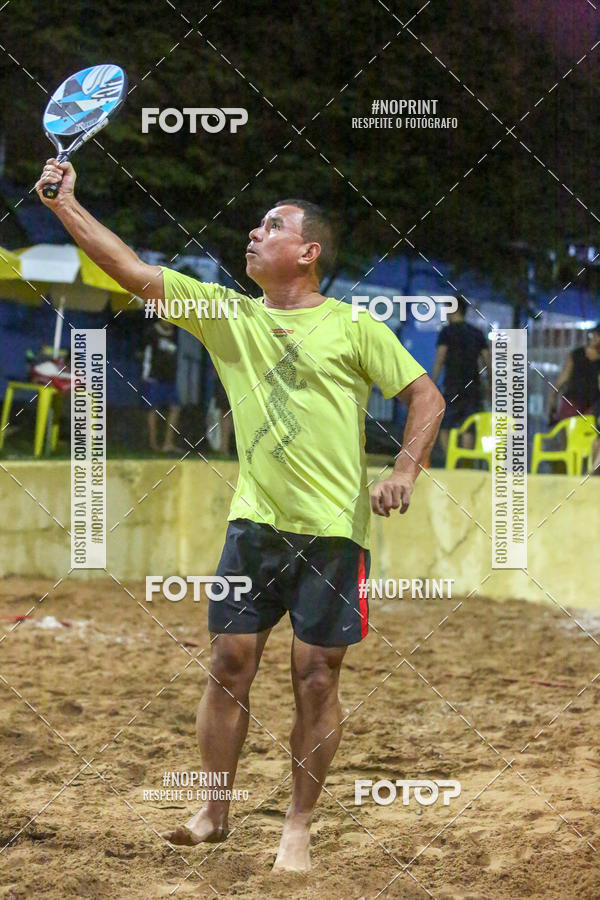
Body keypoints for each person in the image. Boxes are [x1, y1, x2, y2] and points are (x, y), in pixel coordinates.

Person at [36, 158, 445, 873]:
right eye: (257, 225)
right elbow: (131, 270)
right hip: (252, 526)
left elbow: (427, 397)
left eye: (272, 227)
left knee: (316, 676)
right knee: (228, 663)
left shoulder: (354, 328)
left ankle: (298, 826)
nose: (253, 234)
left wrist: (405, 467)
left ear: (308, 251)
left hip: (333, 533)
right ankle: (214, 810)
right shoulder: (231, 316)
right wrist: (63, 203)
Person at [431, 295, 490, 456]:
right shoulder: (477, 333)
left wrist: (431, 384)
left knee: (444, 425)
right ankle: (464, 462)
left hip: (452, 385)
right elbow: (487, 362)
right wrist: (491, 385)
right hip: (473, 387)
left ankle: (450, 459)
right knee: (469, 426)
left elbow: (439, 359)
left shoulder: (446, 332)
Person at [548, 322, 600, 424]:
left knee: (588, 435)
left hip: (593, 404)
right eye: (593, 334)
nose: (594, 338)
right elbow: (563, 378)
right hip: (573, 401)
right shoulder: (577, 354)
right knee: (568, 432)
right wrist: (553, 397)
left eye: (598, 336)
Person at [141, 319, 180, 452]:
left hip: (169, 377)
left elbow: (173, 352)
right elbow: (143, 353)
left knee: (175, 407)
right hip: (153, 377)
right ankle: (153, 443)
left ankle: (168, 442)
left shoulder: (174, 334)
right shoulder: (151, 332)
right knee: (153, 408)